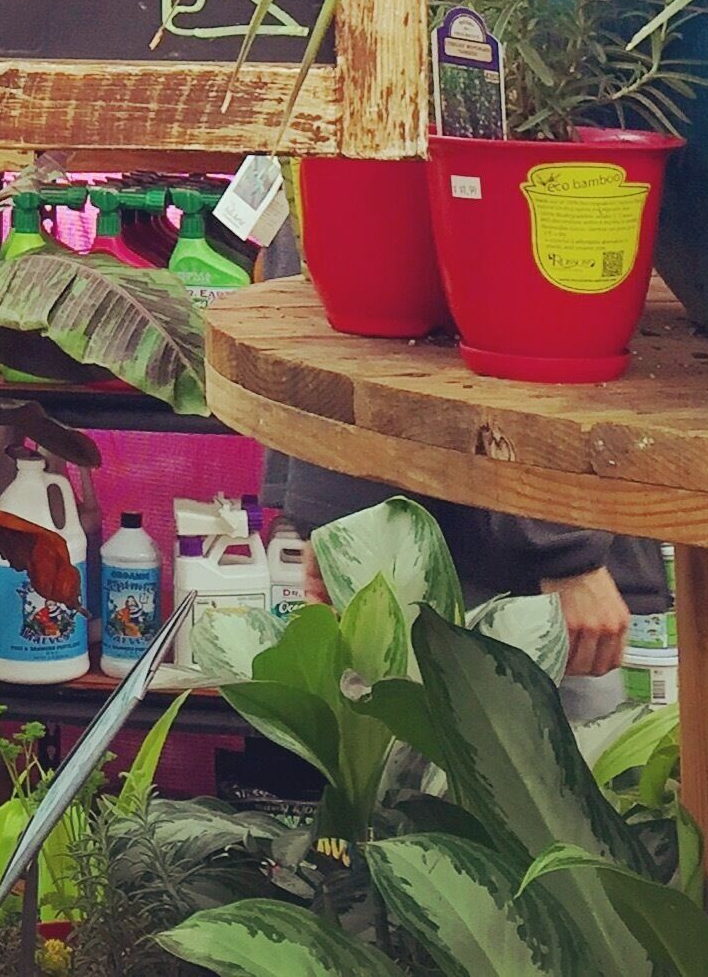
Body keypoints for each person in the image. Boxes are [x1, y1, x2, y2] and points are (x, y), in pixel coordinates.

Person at [255, 223, 669, 718]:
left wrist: (325, 506)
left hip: (403, 533)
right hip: (502, 569)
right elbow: (514, 256)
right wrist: (564, 550)